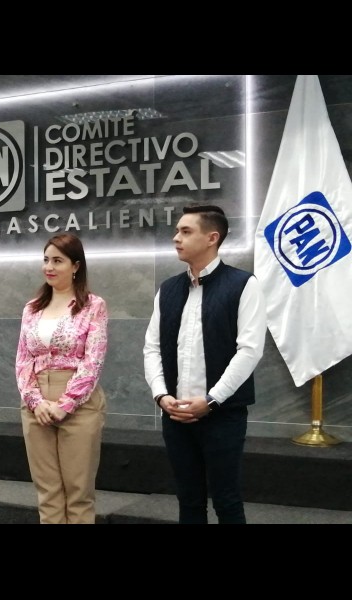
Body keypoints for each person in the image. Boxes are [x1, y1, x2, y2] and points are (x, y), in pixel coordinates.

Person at [143, 204, 267, 524]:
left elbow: (250, 351)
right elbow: (152, 348)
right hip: (175, 414)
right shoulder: (168, 289)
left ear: (212, 238)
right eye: (177, 231)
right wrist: (161, 395)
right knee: (189, 501)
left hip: (222, 415)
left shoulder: (243, 284)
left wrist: (211, 400)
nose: (176, 238)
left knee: (227, 501)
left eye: (186, 231)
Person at [15, 233, 108, 524]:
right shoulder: (32, 308)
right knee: (48, 493)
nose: (49, 267)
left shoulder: (93, 306)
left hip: (79, 403)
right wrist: (35, 401)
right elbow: (23, 360)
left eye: (58, 260)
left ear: (76, 266)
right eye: (46, 260)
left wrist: (65, 403)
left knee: (78, 493)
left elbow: (93, 361)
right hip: (36, 404)